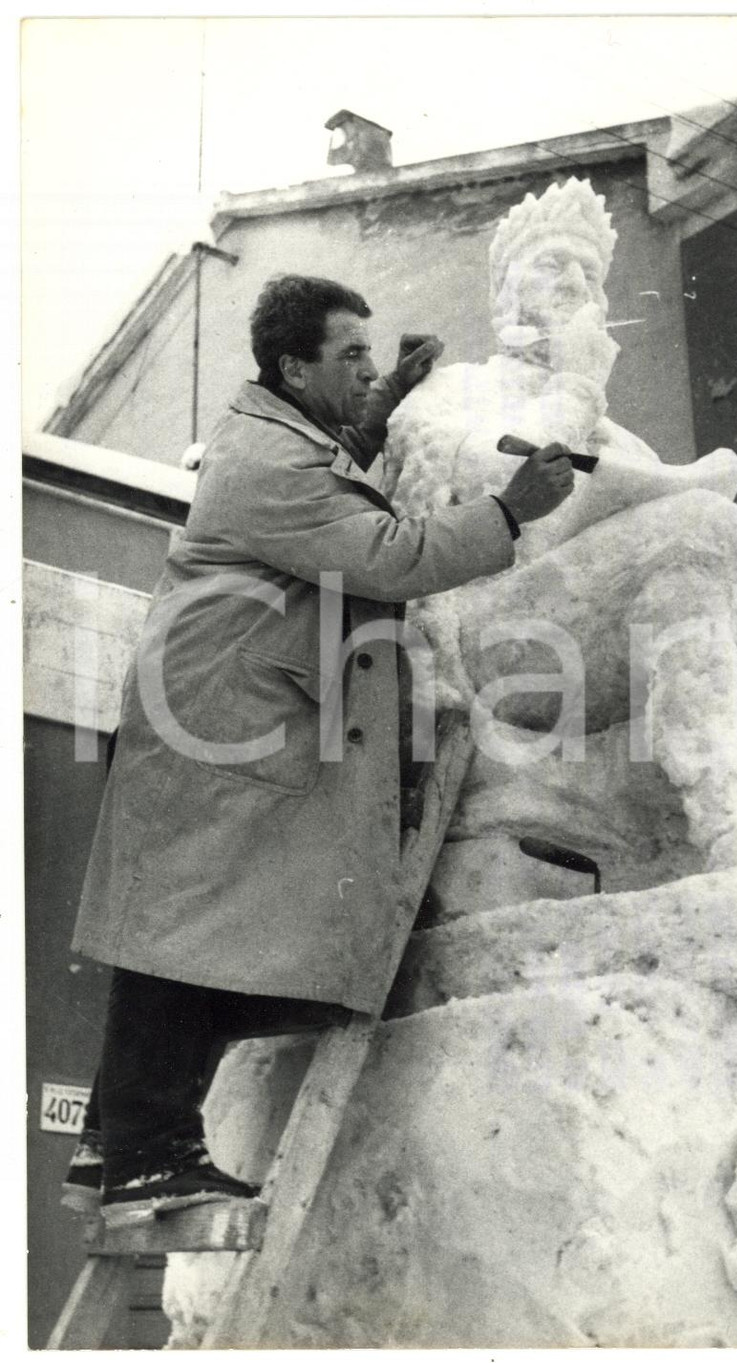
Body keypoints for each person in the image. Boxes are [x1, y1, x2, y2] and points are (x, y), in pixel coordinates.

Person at [64, 273, 577, 1227]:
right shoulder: (268, 463)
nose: (368, 366)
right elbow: (384, 551)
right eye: (352, 354)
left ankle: (117, 1142)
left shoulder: (277, 436)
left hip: (228, 718)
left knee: (196, 930)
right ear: (293, 368)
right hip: (223, 725)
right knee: (187, 935)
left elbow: (334, 471)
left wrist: (387, 395)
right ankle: (143, 1152)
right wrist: (509, 512)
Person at [383, 178, 737, 870]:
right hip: (486, 638)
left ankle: (734, 821)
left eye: (589, 273)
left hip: (584, 643)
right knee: (695, 525)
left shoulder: (615, 432)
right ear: (505, 294)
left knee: (700, 534)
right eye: (553, 263)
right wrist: (576, 386)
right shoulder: (453, 389)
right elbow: (492, 485)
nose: (576, 282)